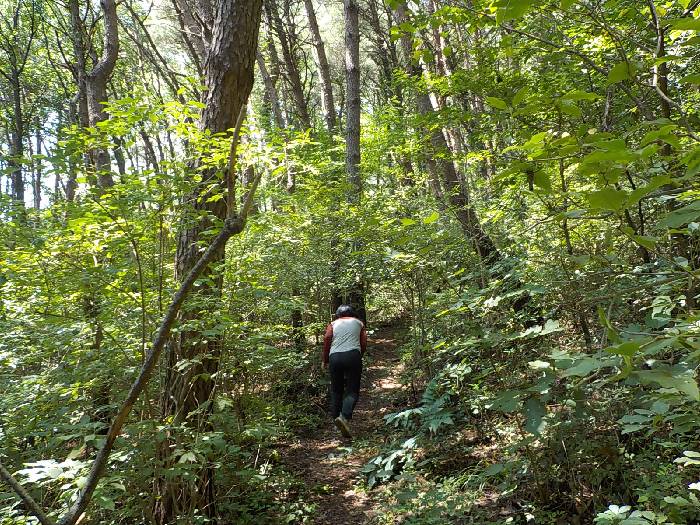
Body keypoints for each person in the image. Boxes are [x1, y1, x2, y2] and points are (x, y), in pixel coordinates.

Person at [322, 304, 367, 438]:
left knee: (336, 390)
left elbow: (327, 339)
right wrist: (359, 355)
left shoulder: (333, 324)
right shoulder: (359, 323)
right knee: (352, 390)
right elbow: (363, 342)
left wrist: (325, 360)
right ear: (352, 313)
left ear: (338, 314)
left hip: (334, 357)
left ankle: (336, 420)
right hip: (353, 355)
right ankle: (344, 417)